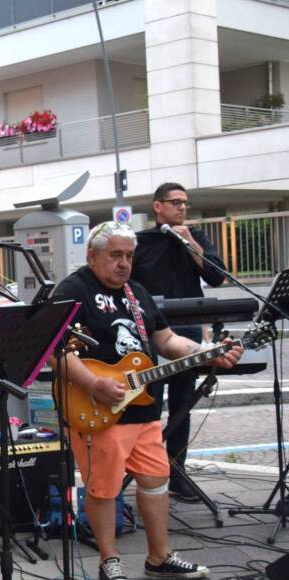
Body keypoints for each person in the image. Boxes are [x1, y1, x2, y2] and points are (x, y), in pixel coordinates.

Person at [50, 221, 240, 580]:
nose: (123, 263)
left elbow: (167, 341)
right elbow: (56, 350)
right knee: (103, 488)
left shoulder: (137, 293)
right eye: (115, 255)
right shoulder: (74, 290)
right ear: (92, 256)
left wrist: (206, 353)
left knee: (156, 480)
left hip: (144, 407)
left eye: (129, 256)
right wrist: (93, 383)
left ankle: (159, 557)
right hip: (98, 406)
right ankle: (109, 561)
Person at [132, 183, 226, 502]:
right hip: (150, 335)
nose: (182, 208)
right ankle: (149, 470)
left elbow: (216, 277)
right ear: (157, 206)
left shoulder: (195, 238)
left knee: (183, 404)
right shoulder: (141, 242)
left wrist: (189, 243)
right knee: (152, 404)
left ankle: (178, 473)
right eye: (175, 203)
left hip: (188, 332)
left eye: (185, 203)